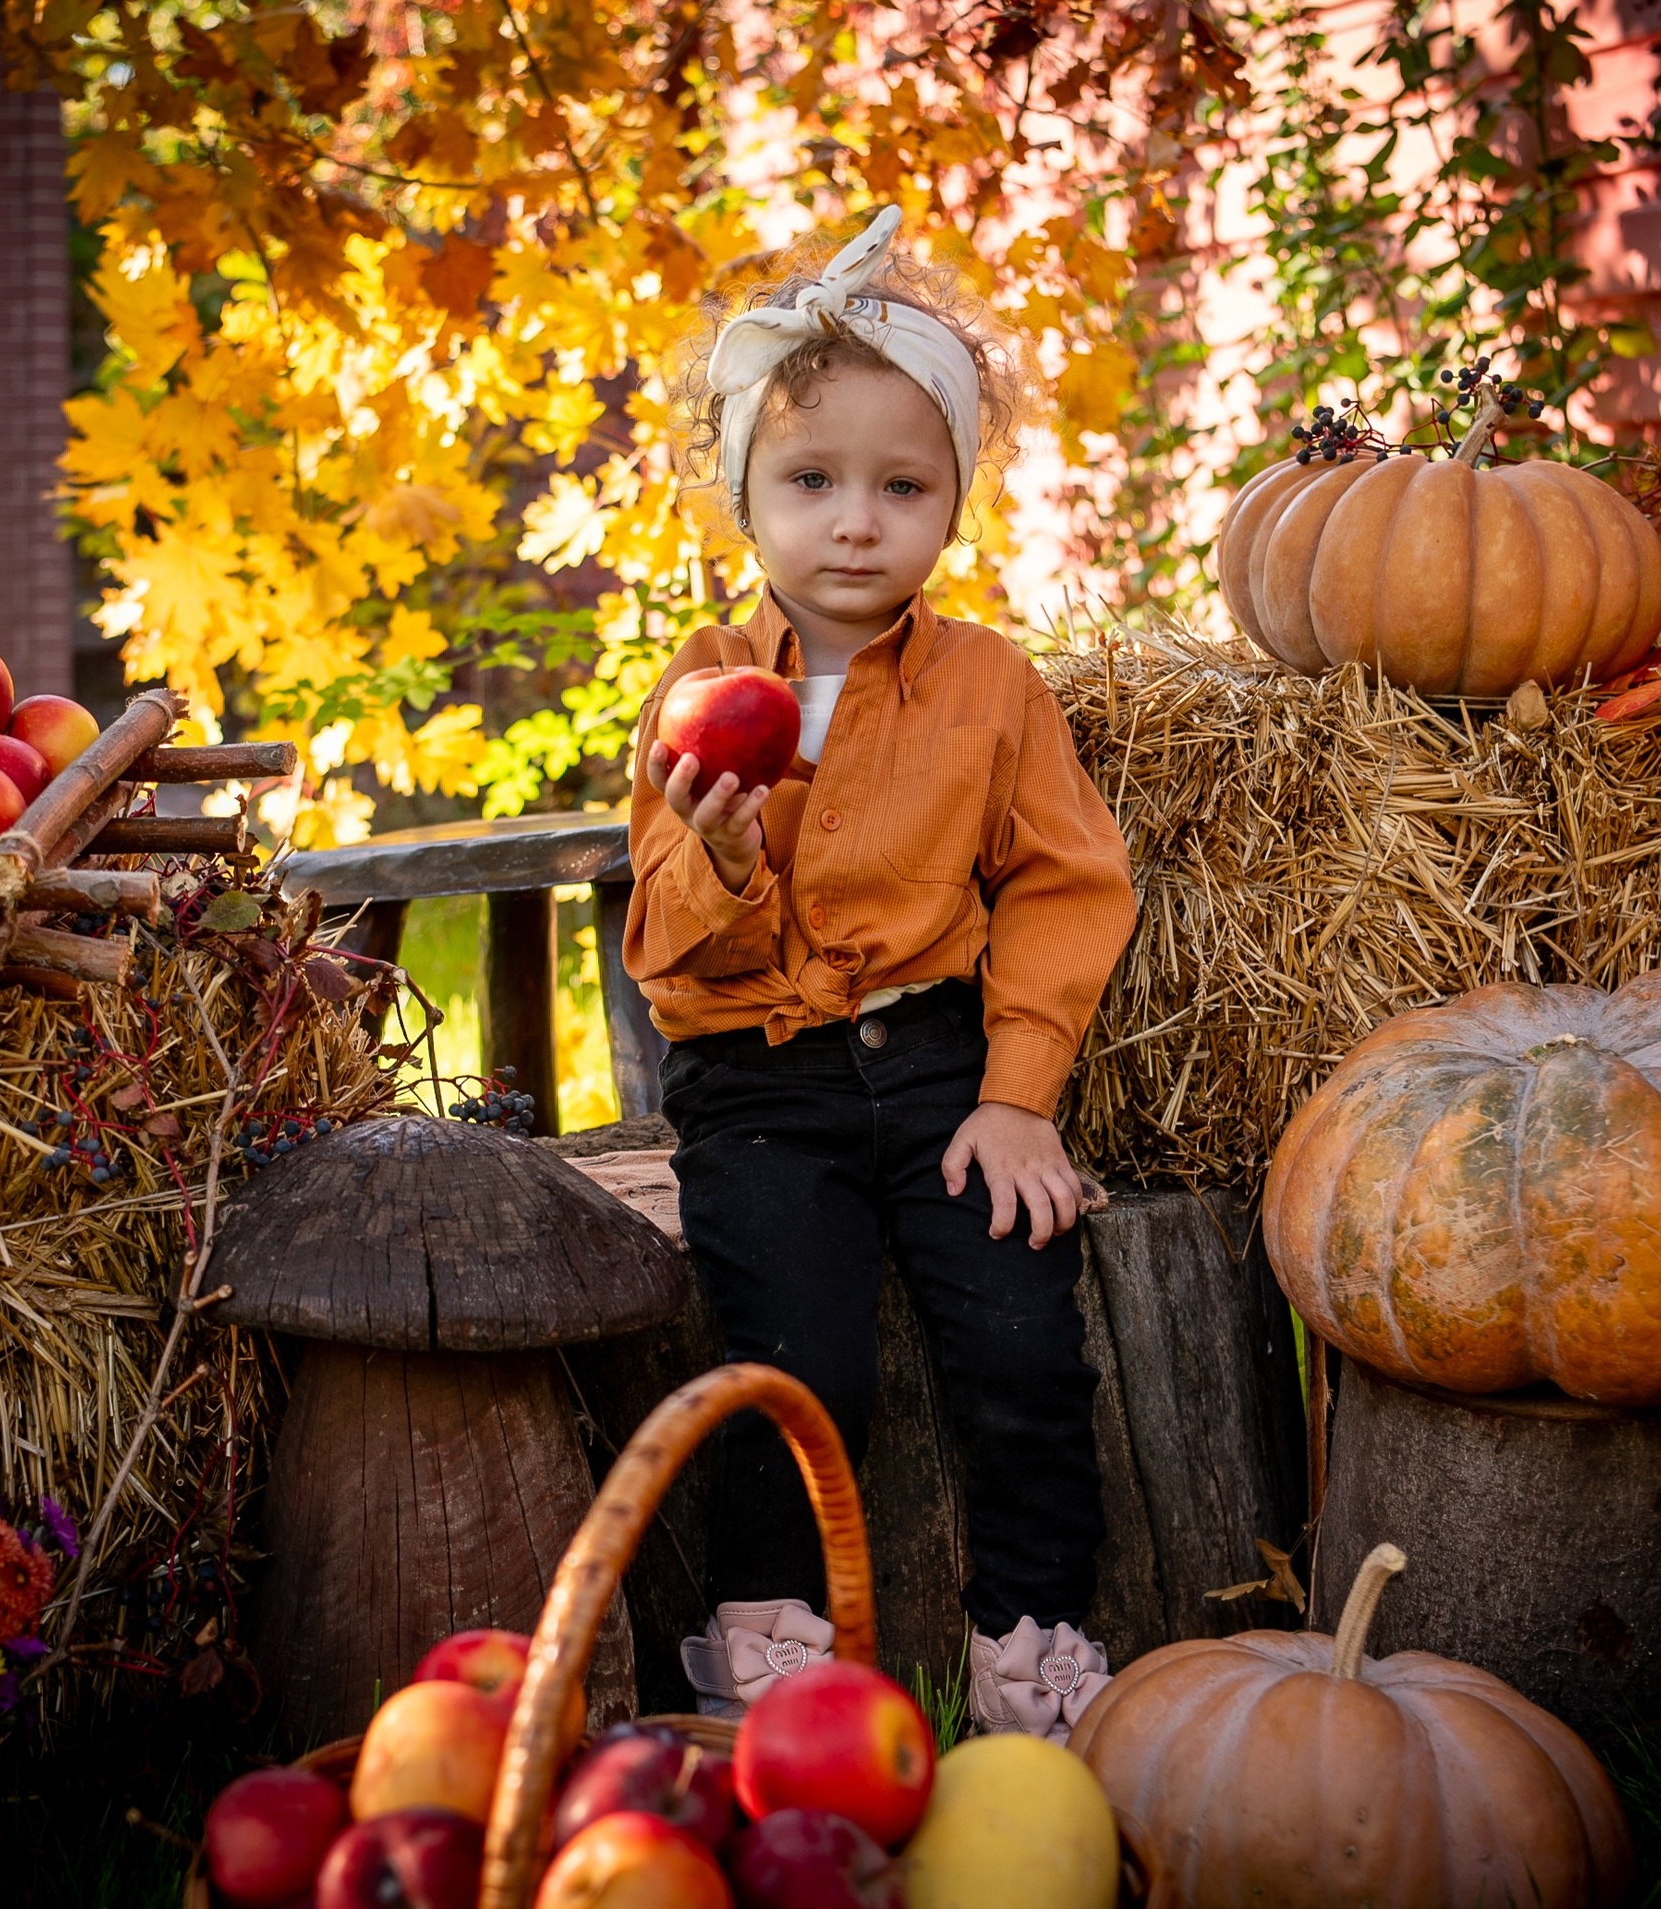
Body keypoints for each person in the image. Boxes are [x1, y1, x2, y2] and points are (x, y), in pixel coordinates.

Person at [623, 207, 1137, 1743]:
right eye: (812, 481)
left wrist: (1018, 1094)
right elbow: (662, 948)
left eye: (902, 486)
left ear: (953, 502)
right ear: (746, 495)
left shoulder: (992, 686)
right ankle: (770, 1643)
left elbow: (1066, 881)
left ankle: (1034, 1639)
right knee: (798, 1357)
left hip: (940, 1065)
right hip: (756, 1076)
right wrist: (720, 857)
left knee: (1025, 1334)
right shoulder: (703, 687)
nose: (857, 523)